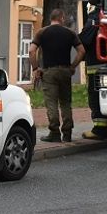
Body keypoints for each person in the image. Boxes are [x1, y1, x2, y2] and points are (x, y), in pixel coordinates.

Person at [29, 8, 85, 143]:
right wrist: (72, 67)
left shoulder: (42, 32)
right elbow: (82, 51)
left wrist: (36, 68)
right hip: (65, 71)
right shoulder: (70, 33)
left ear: (51, 18)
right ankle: (67, 133)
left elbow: (31, 51)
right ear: (62, 18)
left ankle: (54, 132)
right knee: (66, 102)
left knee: (51, 103)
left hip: (49, 72)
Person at [78, 5, 107, 140]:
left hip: (96, 65)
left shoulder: (94, 17)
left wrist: (76, 38)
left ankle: (100, 129)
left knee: (96, 96)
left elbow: (85, 39)